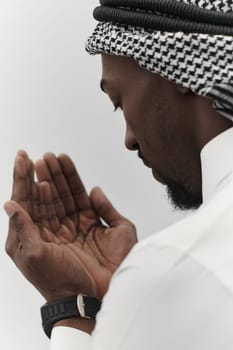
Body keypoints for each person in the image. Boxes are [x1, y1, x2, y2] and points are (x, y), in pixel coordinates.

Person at [4, 0, 233, 349]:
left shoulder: (178, 269)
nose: (128, 139)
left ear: (178, 68)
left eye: (119, 101)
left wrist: (74, 308)